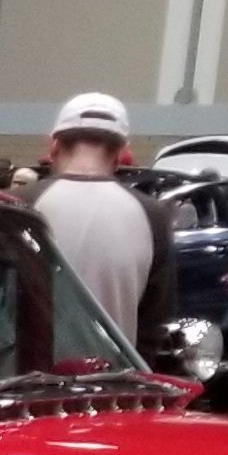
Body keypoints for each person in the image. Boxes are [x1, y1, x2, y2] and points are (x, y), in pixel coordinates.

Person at [19, 92, 180, 348]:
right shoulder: (153, 215)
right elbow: (155, 321)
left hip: (20, 381)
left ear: (54, 145)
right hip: (111, 381)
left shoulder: (16, 205)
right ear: (120, 152)